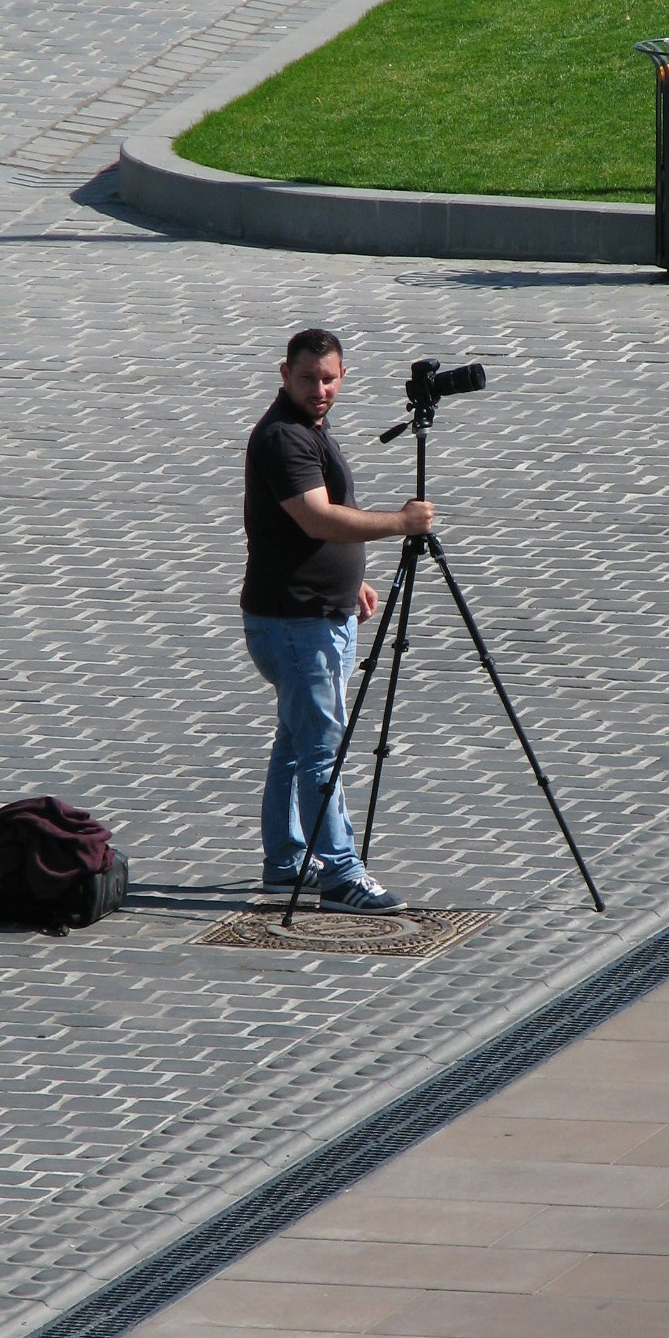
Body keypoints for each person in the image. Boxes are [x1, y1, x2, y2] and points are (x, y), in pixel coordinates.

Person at [241, 328, 434, 913]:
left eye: (329, 378)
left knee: (297, 742)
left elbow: (309, 531)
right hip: (298, 623)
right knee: (322, 748)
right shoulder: (283, 438)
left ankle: (285, 861)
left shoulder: (311, 429)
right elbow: (319, 520)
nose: (319, 389)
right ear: (284, 374)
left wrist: (352, 580)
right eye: (307, 378)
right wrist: (403, 523)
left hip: (310, 613)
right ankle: (341, 875)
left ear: (343, 376)